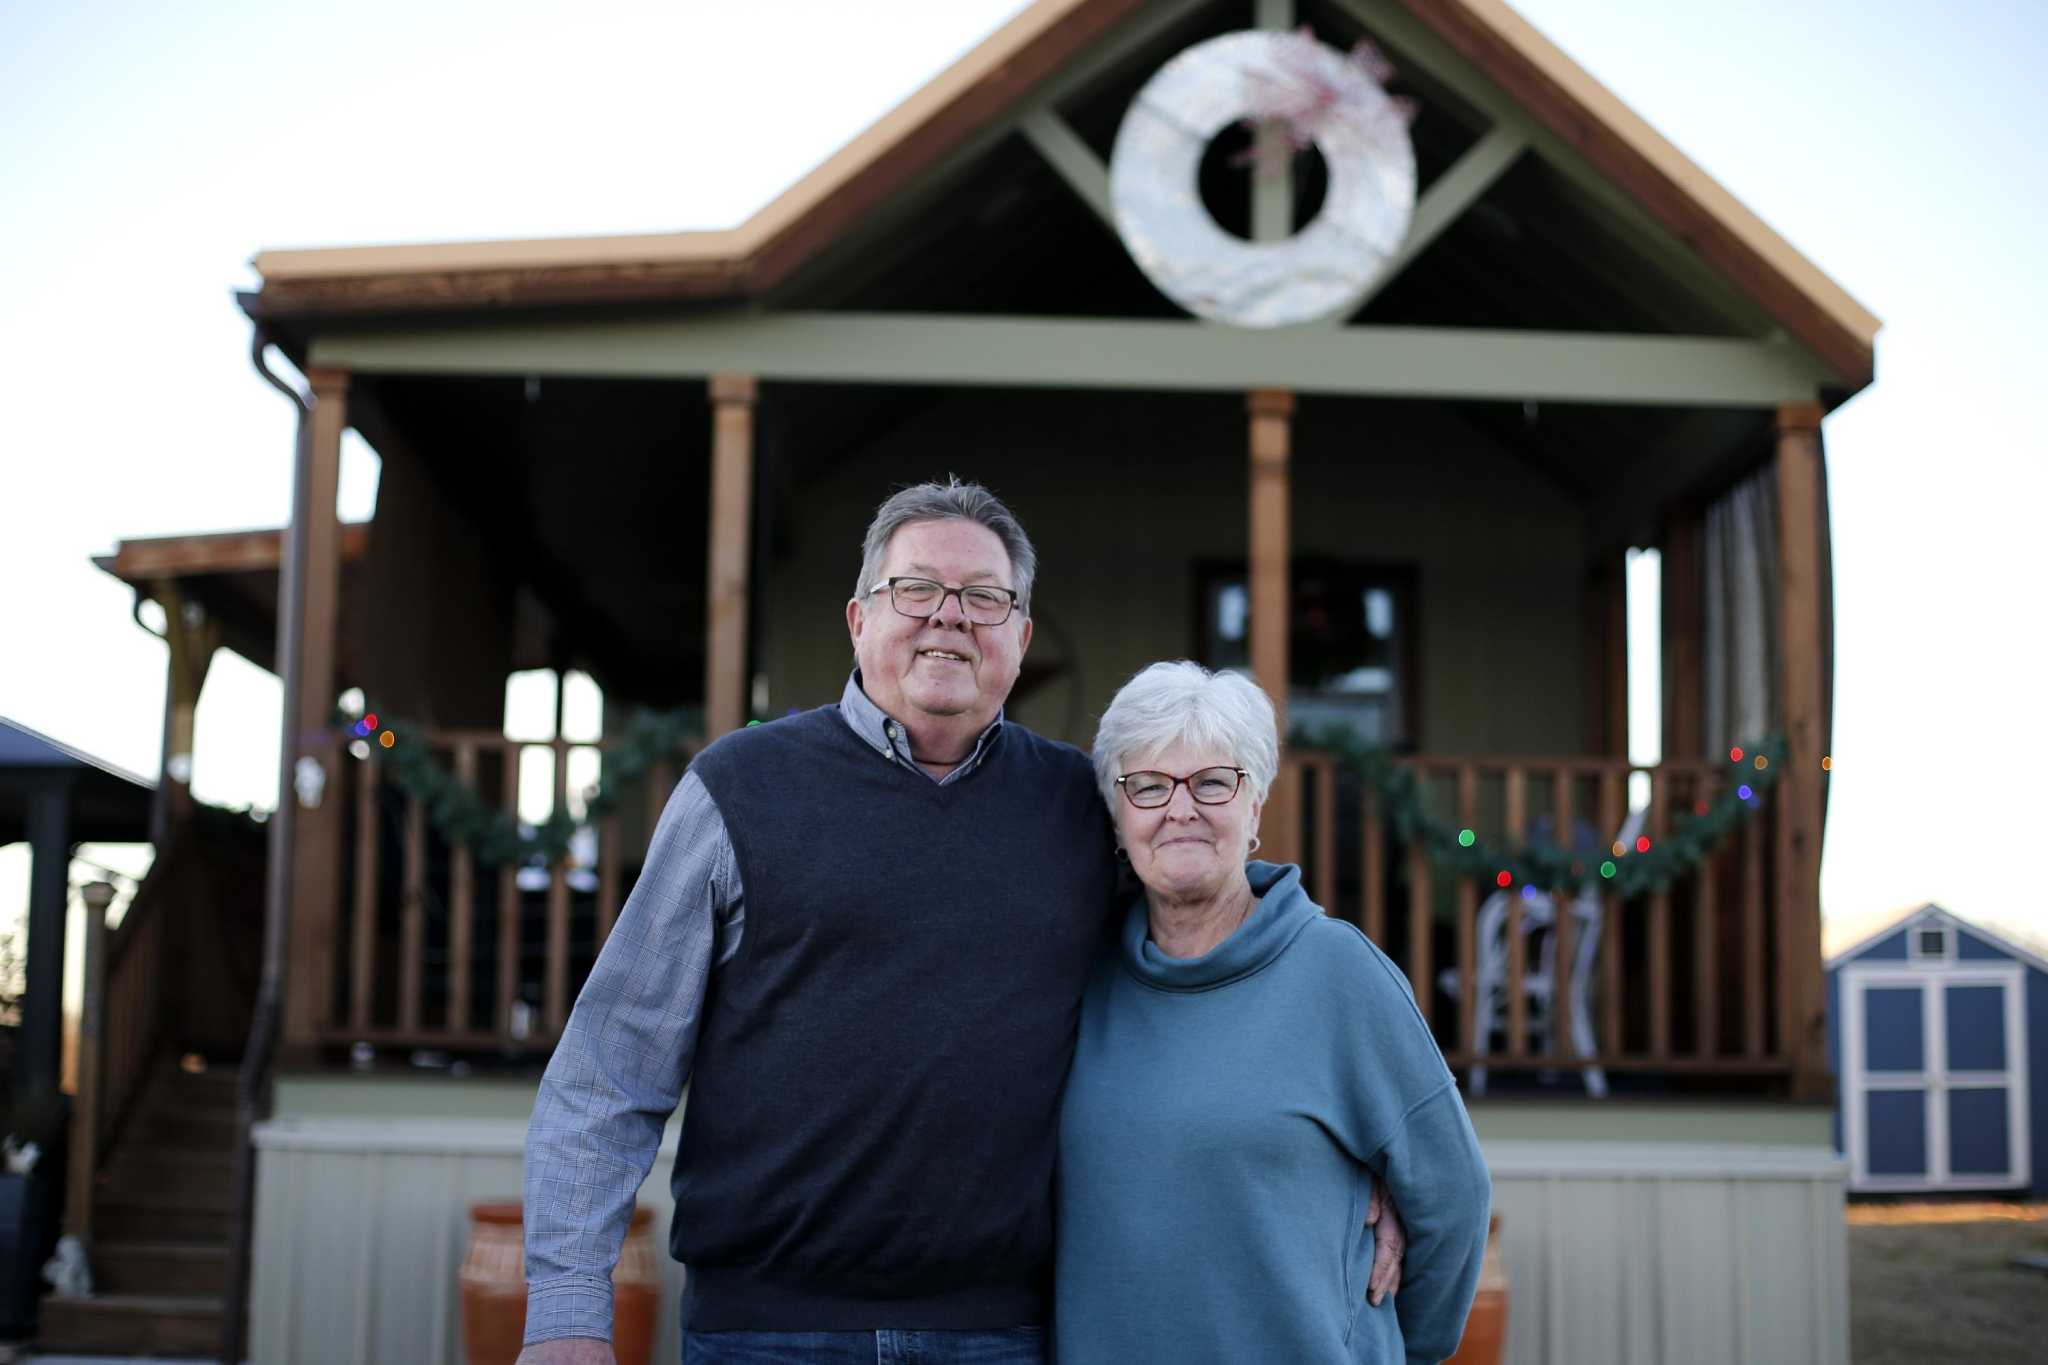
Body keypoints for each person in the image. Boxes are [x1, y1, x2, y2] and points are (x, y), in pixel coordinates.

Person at [517, 481, 1406, 1365]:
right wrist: (565, 1315)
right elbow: (607, 1073)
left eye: (985, 597)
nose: (949, 617)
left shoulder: (1076, 806)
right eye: (917, 589)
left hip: (1002, 1335)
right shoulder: (738, 789)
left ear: (1019, 639)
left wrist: (1352, 1168)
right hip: (766, 1331)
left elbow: (1214, 950)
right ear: (860, 618)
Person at [1056, 661, 1492, 1364]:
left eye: (1213, 781)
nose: (1181, 808)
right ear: (1117, 812)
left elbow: (1453, 1193)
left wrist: (1398, 1344)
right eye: (1148, 785)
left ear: (1255, 805)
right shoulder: (1081, 974)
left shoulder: (1338, 973)